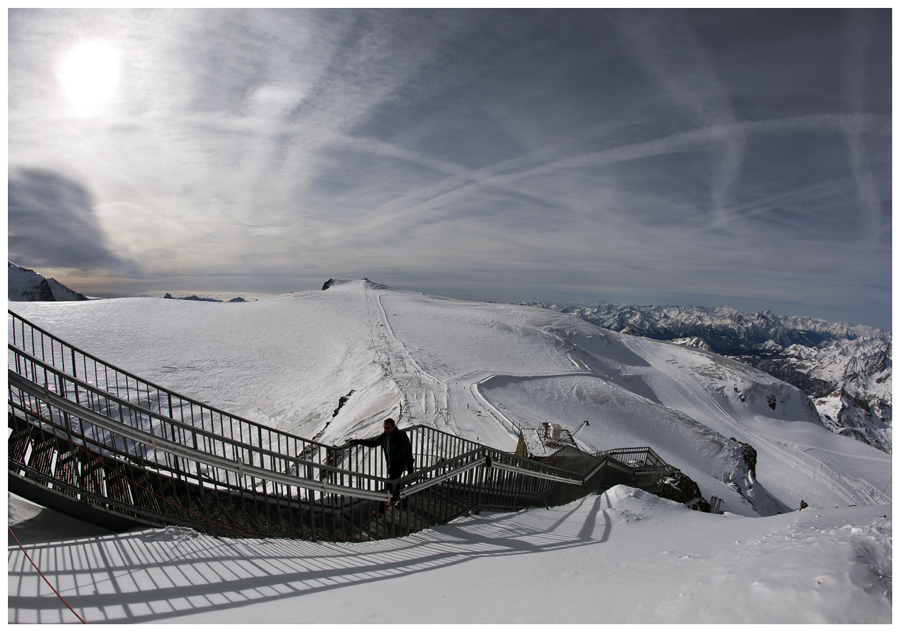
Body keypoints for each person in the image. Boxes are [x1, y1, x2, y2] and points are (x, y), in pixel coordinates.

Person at [349, 417, 415, 515]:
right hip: (391, 466)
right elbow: (374, 441)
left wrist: (410, 468)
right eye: (384, 428)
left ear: (393, 427)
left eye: (388, 428)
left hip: (399, 465)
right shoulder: (385, 437)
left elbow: (408, 452)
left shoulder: (400, 436)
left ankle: (381, 510)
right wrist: (360, 441)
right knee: (397, 484)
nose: (386, 430)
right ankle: (405, 499)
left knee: (389, 485)